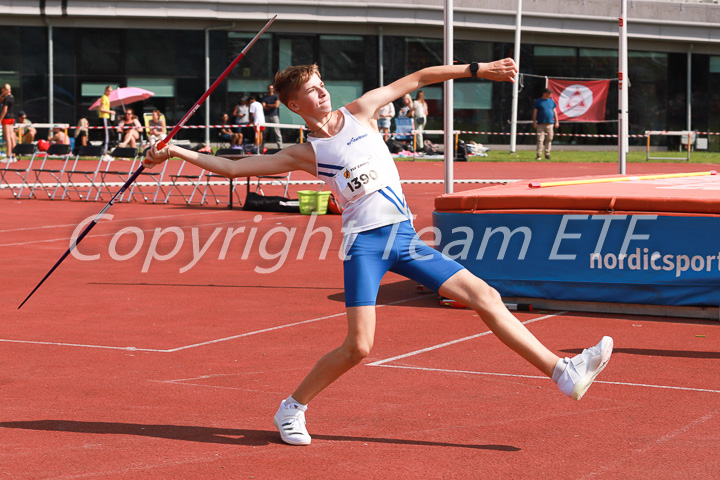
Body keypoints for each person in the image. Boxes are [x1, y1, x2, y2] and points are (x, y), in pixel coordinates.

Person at [143, 59, 614, 447]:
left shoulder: (362, 111)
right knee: (359, 347)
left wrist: (479, 68)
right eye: (312, 90)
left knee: (486, 295)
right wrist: (178, 153)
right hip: (364, 246)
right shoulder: (304, 152)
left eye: (322, 84)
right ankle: (292, 408)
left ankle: (562, 372)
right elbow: (231, 167)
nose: (322, 93)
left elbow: (419, 79)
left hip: (405, 239)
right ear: (292, 105)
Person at [532, 88, 559, 160]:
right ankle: (539, 154)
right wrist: (534, 122)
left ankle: (547, 153)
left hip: (550, 123)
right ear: (544, 93)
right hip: (540, 124)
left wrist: (557, 121)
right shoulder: (538, 101)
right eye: (548, 93)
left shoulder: (551, 101)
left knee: (549, 139)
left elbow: (555, 111)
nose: (549, 95)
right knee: (540, 140)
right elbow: (535, 112)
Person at [97, 85, 116, 158]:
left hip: (106, 117)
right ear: (105, 91)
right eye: (109, 91)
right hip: (104, 117)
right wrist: (111, 111)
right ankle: (105, 152)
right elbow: (101, 109)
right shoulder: (104, 97)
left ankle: (106, 150)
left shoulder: (107, 98)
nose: (110, 92)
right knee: (107, 135)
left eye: (111, 91)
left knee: (110, 134)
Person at [0, 84, 16, 161]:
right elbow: (0, 100)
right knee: (12, 137)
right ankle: (13, 155)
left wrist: (0, 119)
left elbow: (4, 110)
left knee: (8, 138)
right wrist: (2, 95)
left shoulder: (7, 99)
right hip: (12, 118)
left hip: (6, 118)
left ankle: (8, 156)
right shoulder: (12, 97)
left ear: (4, 89)